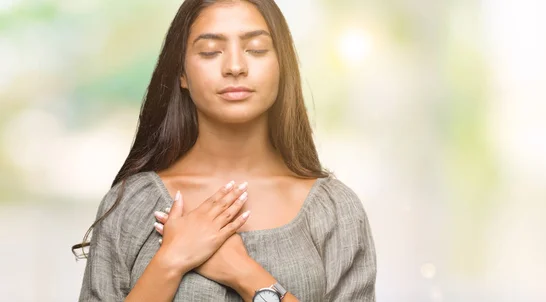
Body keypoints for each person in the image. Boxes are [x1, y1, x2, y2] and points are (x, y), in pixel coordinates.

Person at [74, 0, 377, 301]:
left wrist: (244, 273)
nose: (235, 67)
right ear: (181, 73)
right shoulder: (132, 205)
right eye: (210, 52)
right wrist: (171, 260)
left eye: (256, 49)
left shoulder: (334, 211)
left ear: (282, 66)